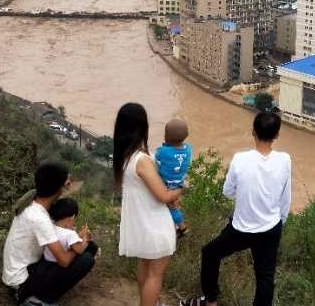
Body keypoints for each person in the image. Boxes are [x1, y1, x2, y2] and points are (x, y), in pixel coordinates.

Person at [182, 111, 292, 306]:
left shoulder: (240, 159)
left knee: (210, 253)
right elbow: (286, 196)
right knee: (265, 276)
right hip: (270, 228)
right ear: (277, 135)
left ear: (253, 132)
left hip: (241, 228)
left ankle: (211, 300)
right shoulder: (284, 160)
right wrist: (280, 221)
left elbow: (227, 191)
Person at [114, 102, 183, 306]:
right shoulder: (142, 159)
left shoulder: (124, 157)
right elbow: (163, 195)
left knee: (145, 265)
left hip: (140, 223)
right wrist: (181, 187)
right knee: (156, 274)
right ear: (142, 126)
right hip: (153, 222)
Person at [2, 161, 95, 305]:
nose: (69, 184)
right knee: (86, 259)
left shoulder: (32, 202)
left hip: (22, 270)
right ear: (60, 186)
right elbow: (64, 261)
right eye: (67, 181)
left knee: (89, 248)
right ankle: (38, 300)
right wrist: (81, 243)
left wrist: (78, 240)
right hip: (21, 282)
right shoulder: (40, 218)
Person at [155, 118, 193, 237]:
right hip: (179, 183)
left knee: (172, 207)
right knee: (174, 204)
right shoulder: (188, 149)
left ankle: (182, 228)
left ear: (165, 136)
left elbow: (157, 160)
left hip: (167, 184)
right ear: (186, 135)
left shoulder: (163, 151)